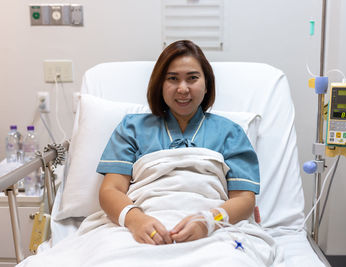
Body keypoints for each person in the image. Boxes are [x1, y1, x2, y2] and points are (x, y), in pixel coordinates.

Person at [96, 40, 260, 245]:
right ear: (160, 85)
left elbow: (244, 200)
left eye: (192, 78)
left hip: (214, 229)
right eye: (172, 79)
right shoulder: (132, 129)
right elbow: (111, 190)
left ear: (207, 84)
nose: (183, 89)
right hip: (141, 225)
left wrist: (209, 221)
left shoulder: (230, 133)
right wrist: (135, 220)